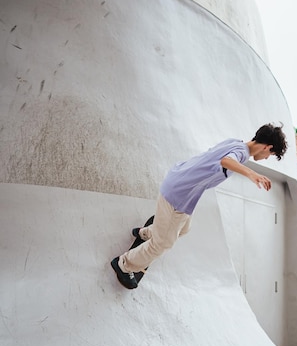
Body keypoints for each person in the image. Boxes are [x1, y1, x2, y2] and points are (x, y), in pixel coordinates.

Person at [111, 123, 288, 289]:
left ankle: (146, 232)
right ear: (268, 147)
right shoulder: (241, 154)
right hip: (178, 196)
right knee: (163, 243)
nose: (265, 158)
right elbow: (226, 161)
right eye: (269, 155)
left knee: (185, 227)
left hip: (180, 184)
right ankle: (124, 265)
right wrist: (252, 174)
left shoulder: (235, 142)